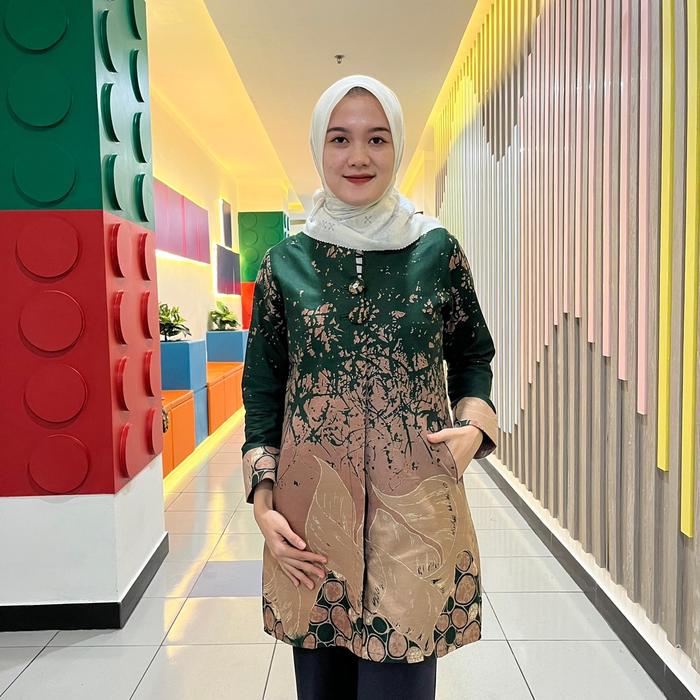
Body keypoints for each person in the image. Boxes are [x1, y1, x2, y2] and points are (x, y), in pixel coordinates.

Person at [241, 74, 498, 700]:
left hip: (414, 512)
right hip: (310, 515)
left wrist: (474, 428)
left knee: (399, 684)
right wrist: (262, 500)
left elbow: (473, 355)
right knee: (321, 684)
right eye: (340, 138)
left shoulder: (436, 251)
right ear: (318, 147)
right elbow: (263, 389)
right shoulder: (283, 264)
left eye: (376, 138)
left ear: (397, 146)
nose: (358, 156)